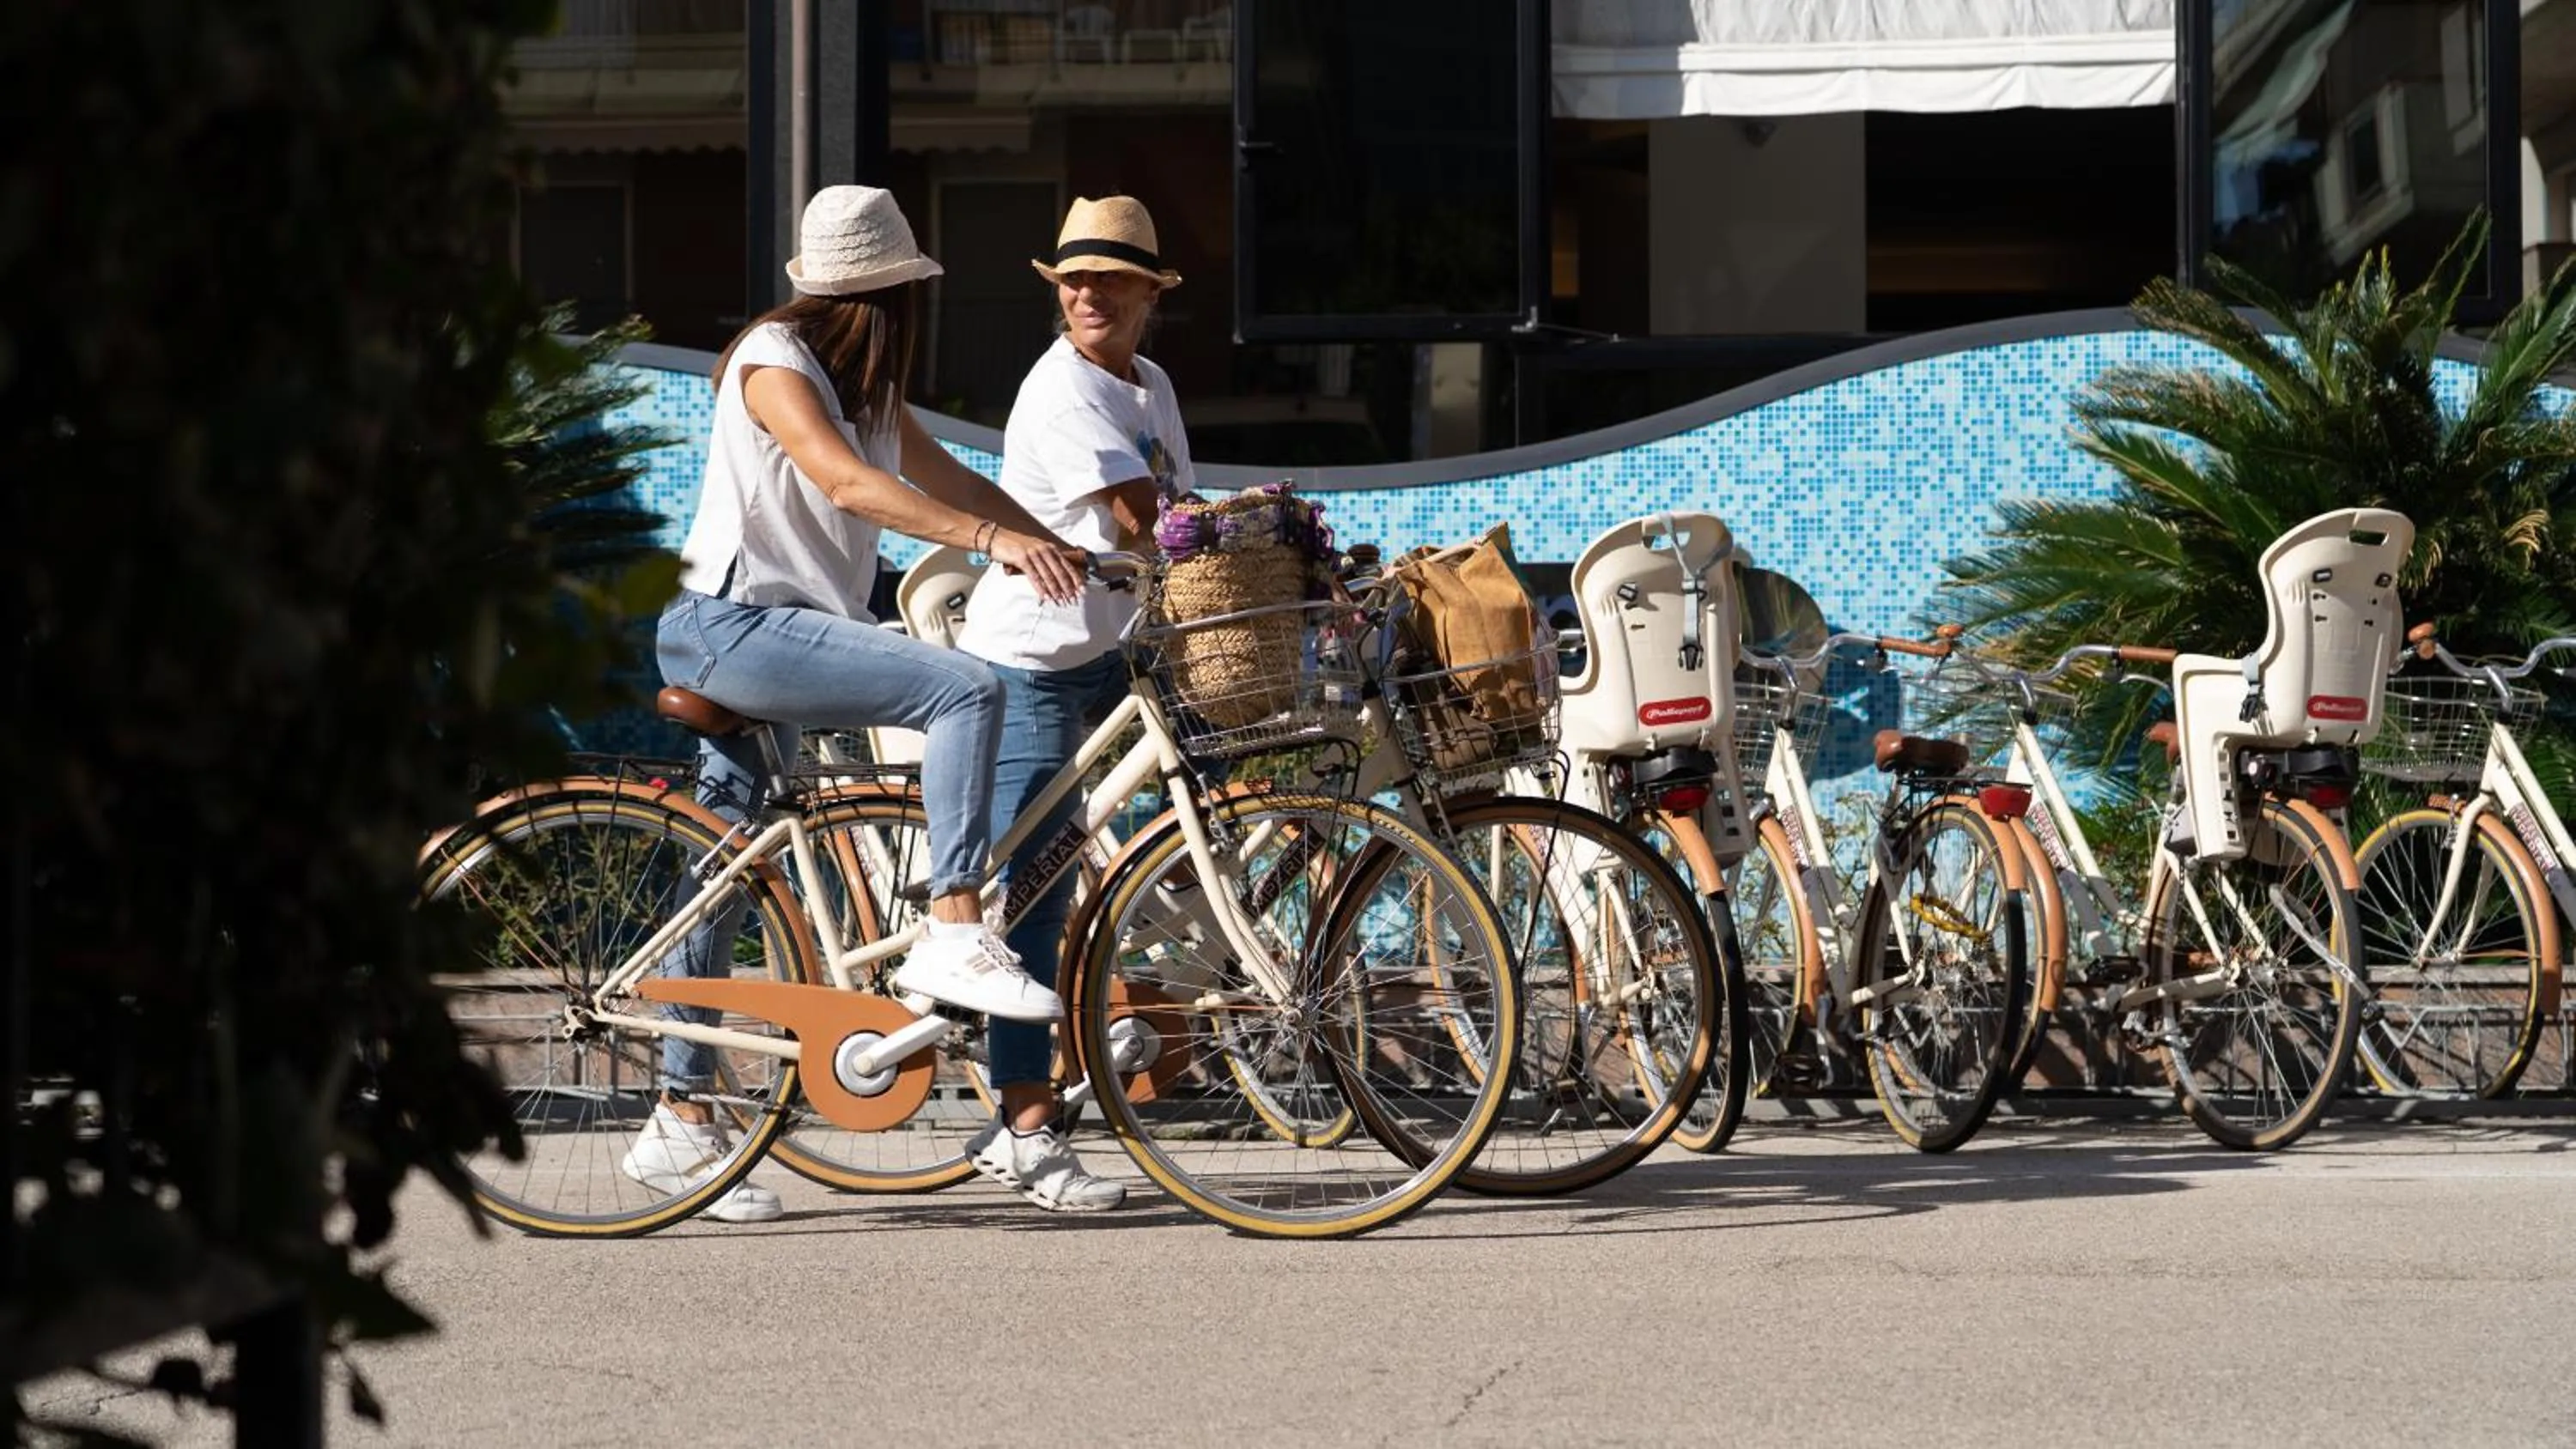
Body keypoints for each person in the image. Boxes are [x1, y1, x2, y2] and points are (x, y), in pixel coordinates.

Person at [629, 185, 1090, 1222]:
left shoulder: (864, 389)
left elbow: (957, 484)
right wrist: (993, 548)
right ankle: (955, 919)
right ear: (888, 295)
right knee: (964, 684)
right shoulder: (772, 364)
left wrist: (1074, 551)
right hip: (730, 627)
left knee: (725, 862)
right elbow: (845, 485)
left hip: (780, 638)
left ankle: (679, 1116)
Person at [955, 196, 1194, 1213]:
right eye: (1071, 279)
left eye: (1107, 278)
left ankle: (1149, 1000)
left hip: (1111, 653)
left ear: (1149, 293)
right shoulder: (1062, 391)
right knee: (1034, 905)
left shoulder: (1148, 382)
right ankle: (1025, 1125)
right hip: (1033, 668)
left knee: (1233, 771)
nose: (1086, 293)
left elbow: (1179, 515)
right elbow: (1149, 523)